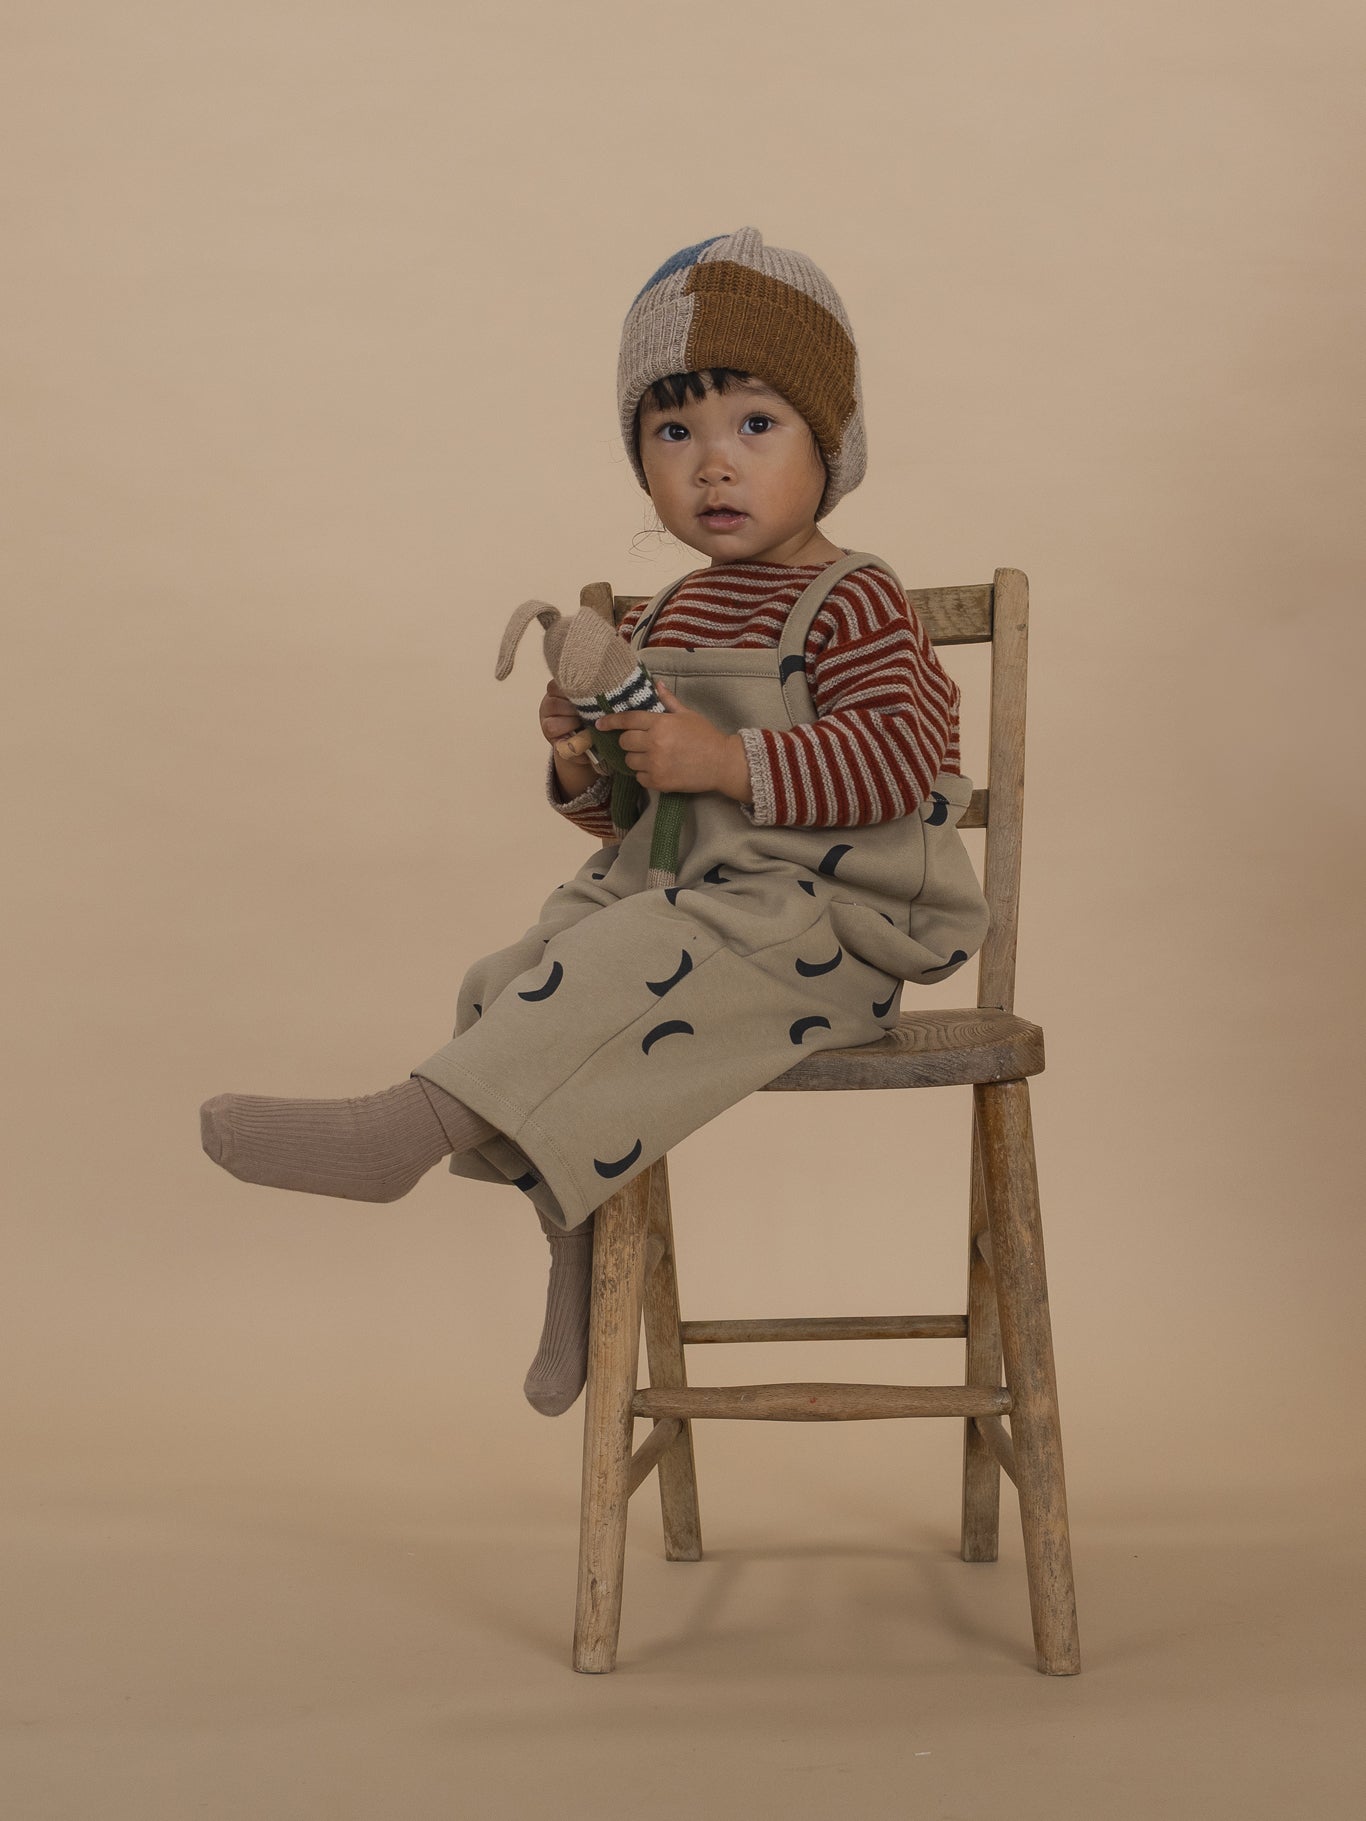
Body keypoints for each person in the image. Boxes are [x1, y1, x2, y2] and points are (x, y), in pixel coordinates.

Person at [199, 226, 989, 1418]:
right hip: (701, 898)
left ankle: (399, 1134)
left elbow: (892, 760)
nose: (712, 466)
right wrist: (584, 760)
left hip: (838, 921)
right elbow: (639, 816)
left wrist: (722, 755)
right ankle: (573, 1263)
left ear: (832, 445)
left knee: (625, 952)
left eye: (755, 426)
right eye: (674, 433)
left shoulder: (856, 601)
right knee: (517, 969)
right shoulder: (672, 606)